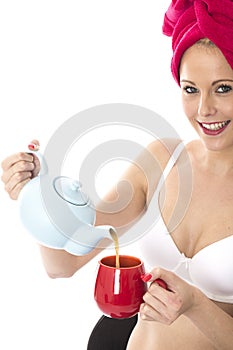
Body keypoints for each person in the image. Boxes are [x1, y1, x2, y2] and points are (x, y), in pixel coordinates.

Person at [1, 0, 233, 349]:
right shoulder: (162, 160)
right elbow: (63, 264)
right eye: (190, 89)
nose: (204, 109)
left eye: (223, 88)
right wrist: (37, 199)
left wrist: (197, 304)